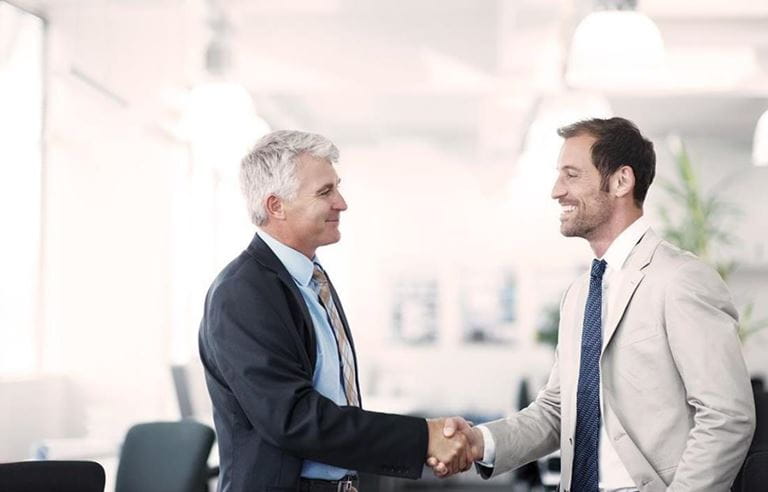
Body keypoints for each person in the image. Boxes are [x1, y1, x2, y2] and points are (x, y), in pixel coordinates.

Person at [432, 117, 756, 491]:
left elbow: (727, 416)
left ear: (621, 181)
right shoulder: (580, 294)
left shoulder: (679, 279)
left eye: (571, 175)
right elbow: (557, 410)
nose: (556, 190)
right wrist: (479, 442)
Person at [198, 130, 471, 492]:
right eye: (325, 192)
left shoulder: (311, 279)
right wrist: (424, 437)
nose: (341, 203)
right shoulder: (242, 292)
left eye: (336, 188)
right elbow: (293, 419)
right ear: (276, 205)